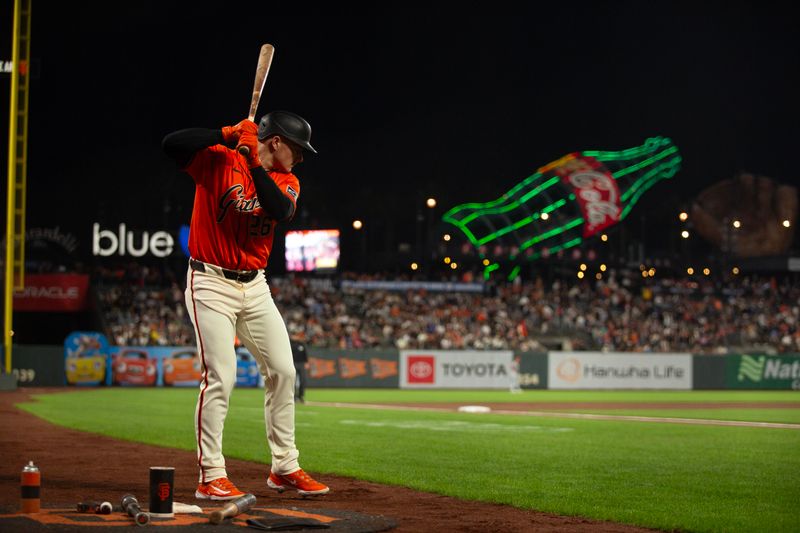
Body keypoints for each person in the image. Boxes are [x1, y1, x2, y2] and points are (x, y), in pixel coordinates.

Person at [162, 111, 329, 500]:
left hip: (255, 286)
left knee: (284, 372)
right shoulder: (220, 157)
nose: (301, 157)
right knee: (221, 376)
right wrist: (223, 132)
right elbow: (170, 144)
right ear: (276, 142)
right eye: (297, 148)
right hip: (209, 280)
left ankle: (284, 467)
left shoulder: (287, 180)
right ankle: (210, 475)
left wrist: (253, 162)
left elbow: (279, 210)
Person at [290, 336, 309, 403]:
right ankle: (294, 397)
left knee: (303, 380)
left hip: (301, 364)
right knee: (293, 381)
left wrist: (306, 362)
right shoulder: (290, 344)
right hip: (294, 364)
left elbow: (305, 354)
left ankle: (301, 396)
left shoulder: (302, 344)